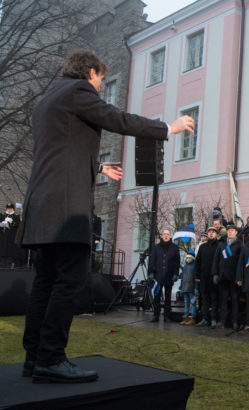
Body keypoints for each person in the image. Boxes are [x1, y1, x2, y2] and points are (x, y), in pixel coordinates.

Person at [19, 50, 194, 383]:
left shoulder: (47, 100)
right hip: (65, 208)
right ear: (91, 72)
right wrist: (166, 128)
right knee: (68, 282)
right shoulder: (79, 91)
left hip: (41, 204)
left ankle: (34, 357)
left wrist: (97, 166)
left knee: (44, 282)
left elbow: (58, 149)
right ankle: (52, 357)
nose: (100, 87)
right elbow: (118, 119)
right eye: (101, 79)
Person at [148, 229, 181, 323]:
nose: (166, 236)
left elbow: (177, 263)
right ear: (162, 236)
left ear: (170, 236)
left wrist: (175, 274)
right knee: (157, 296)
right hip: (158, 277)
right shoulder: (156, 247)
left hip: (169, 276)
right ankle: (156, 315)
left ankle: (167, 316)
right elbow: (152, 261)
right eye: (164, 234)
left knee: (168, 297)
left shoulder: (175, 248)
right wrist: (151, 272)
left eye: (168, 234)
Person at [213, 224, 242, 330]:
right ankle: (222, 321)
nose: (230, 232)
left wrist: (239, 277)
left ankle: (235, 322)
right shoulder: (221, 244)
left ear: (236, 232)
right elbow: (216, 259)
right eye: (229, 230)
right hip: (223, 277)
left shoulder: (239, 245)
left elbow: (240, 262)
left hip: (234, 277)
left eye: (232, 230)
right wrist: (215, 273)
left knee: (235, 301)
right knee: (223, 301)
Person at [195, 227, 220, 328]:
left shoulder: (220, 246)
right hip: (204, 277)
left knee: (214, 299)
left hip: (214, 278)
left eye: (213, 232)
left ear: (216, 234)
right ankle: (205, 318)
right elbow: (198, 262)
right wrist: (196, 275)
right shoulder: (202, 247)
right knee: (204, 299)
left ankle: (213, 319)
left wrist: (218, 275)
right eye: (209, 232)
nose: (211, 234)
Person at [179, 250, 197, 326]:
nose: (188, 259)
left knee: (193, 303)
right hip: (185, 288)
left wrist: (196, 288)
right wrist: (181, 287)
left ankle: (192, 317)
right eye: (187, 258)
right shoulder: (185, 267)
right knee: (186, 303)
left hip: (191, 288)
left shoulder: (194, 267)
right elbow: (182, 278)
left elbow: (196, 279)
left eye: (190, 258)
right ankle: (185, 317)